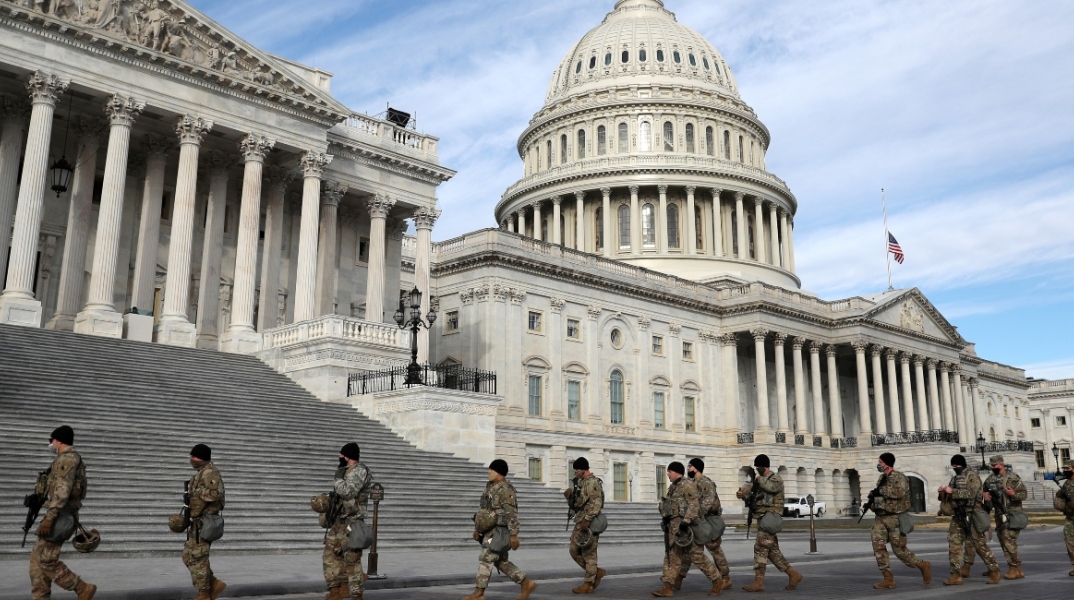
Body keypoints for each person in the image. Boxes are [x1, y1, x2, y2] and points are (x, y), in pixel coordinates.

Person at [29, 426, 96, 600]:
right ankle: (40, 597)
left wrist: (49, 518)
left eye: (51, 440)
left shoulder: (67, 459)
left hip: (61, 516)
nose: (50, 444)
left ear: (59, 441)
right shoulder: (65, 458)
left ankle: (81, 588)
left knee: (46, 560)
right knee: (37, 560)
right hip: (60, 514)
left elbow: (62, 491)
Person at [462, 459, 537, 600]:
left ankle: (479, 593)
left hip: (499, 531)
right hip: (489, 529)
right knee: (500, 561)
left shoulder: (506, 489)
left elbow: (511, 513)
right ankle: (526, 583)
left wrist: (514, 535)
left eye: (492, 470)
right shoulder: (490, 487)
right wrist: (477, 528)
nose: (488, 471)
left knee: (486, 556)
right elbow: (484, 510)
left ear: (500, 474)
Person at [652, 461, 723, 597]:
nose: (667, 474)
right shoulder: (673, 487)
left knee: (696, 556)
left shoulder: (687, 485)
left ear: (676, 472)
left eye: (669, 471)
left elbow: (694, 505)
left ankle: (716, 580)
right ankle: (668, 586)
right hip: (674, 528)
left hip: (687, 529)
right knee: (672, 556)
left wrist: (686, 521)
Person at [735, 454, 802, 593]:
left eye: (758, 467)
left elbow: (771, 488)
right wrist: (743, 495)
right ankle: (793, 574)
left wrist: (758, 480)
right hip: (762, 517)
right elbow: (754, 497)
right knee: (771, 551)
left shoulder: (775, 479)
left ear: (765, 466)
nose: (757, 469)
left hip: (771, 517)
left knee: (760, 546)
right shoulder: (760, 480)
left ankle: (759, 582)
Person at [868, 452, 931, 589]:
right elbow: (880, 497)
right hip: (881, 518)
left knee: (899, 549)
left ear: (887, 463)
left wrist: (881, 491)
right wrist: (872, 501)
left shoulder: (899, 478)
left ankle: (921, 565)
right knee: (878, 546)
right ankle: (888, 578)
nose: (878, 464)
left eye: (881, 462)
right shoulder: (881, 478)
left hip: (894, 518)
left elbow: (899, 493)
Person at [938, 454, 999, 585]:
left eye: (957, 466)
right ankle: (955, 575)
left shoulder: (972, 476)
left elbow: (971, 493)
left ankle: (994, 570)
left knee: (979, 545)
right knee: (954, 545)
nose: (955, 468)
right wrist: (943, 492)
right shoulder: (955, 479)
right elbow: (950, 496)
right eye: (953, 466)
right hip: (958, 515)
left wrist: (952, 491)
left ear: (962, 465)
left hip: (972, 515)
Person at [323, 443, 373, 600]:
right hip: (338, 522)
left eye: (341, 454)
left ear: (348, 456)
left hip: (352, 523)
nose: (339, 457)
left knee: (351, 560)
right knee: (330, 557)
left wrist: (338, 479)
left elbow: (347, 491)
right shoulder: (345, 471)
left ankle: (357, 595)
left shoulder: (360, 470)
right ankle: (336, 591)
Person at [673, 458, 731, 592]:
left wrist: (695, 514)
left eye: (690, 466)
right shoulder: (692, 483)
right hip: (697, 519)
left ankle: (726, 578)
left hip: (708, 520)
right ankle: (679, 578)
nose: (687, 469)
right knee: (691, 549)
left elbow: (708, 503)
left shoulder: (706, 483)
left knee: (714, 548)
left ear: (696, 468)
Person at [182, 444, 226, 600]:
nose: (191, 459)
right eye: (191, 456)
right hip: (197, 521)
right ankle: (213, 583)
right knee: (188, 556)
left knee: (198, 557)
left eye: (194, 456)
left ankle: (204, 593)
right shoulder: (200, 473)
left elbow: (215, 494)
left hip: (205, 521)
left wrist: (197, 492)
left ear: (202, 458)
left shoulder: (209, 473)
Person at [977, 455, 1027, 579]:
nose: (993, 467)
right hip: (999, 514)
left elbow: (1024, 494)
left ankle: (1013, 567)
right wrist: (985, 498)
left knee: (1008, 541)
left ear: (1001, 464)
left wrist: (1013, 494)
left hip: (1012, 513)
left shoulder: (1012, 478)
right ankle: (1018, 569)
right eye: (991, 465)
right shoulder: (989, 480)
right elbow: (985, 497)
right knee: (1003, 541)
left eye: (995, 465)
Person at [565, 457, 606, 594]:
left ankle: (588, 583)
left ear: (583, 469)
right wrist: (570, 498)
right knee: (574, 550)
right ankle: (595, 572)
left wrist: (587, 520)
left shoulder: (592, 483)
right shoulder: (581, 483)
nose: (575, 472)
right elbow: (579, 504)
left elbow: (596, 503)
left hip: (589, 523)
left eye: (576, 469)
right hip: (580, 521)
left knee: (589, 553)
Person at [1053, 460, 1074, 576]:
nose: (1065, 471)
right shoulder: (1066, 483)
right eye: (1064, 469)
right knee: (1069, 541)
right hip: (1070, 518)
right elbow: (1061, 495)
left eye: (1068, 469)